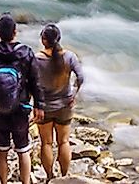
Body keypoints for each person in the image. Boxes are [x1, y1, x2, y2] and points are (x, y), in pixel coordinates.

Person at [0, 14, 39, 184]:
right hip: (20, 108)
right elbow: (36, 81)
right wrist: (39, 105)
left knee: (2, 151)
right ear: (15, 32)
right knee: (23, 151)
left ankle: (3, 183)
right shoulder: (26, 52)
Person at [31, 23, 83, 180]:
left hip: (44, 106)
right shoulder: (69, 57)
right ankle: (65, 176)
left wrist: (32, 103)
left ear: (43, 40)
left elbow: (30, 83)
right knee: (64, 141)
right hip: (65, 106)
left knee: (46, 143)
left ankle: (49, 176)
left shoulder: (36, 59)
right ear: (59, 39)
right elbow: (80, 77)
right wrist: (74, 94)